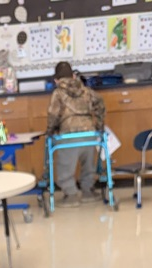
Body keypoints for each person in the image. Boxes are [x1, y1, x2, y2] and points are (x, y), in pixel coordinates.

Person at [45, 62, 105, 207]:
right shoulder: (86, 90)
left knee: (65, 166)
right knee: (88, 164)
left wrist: (50, 131)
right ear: (73, 76)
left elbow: (53, 114)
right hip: (89, 133)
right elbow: (100, 103)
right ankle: (88, 192)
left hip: (68, 135)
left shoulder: (58, 93)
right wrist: (99, 125)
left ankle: (71, 195)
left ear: (56, 80)